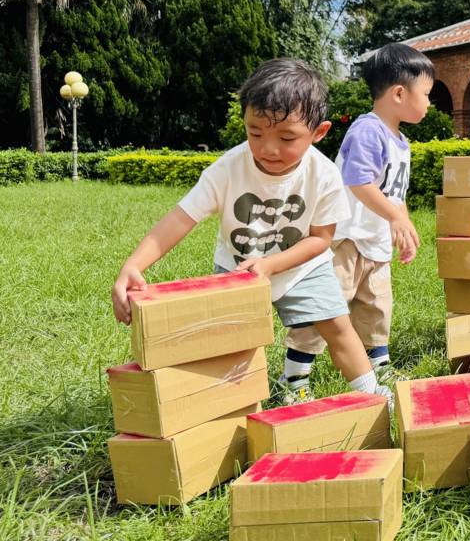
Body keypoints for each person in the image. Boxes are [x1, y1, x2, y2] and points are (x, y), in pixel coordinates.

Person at [111, 58, 391, 404]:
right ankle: (231, 406)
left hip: (303, 268)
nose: (268, 148)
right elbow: (180, 218)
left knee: (337, 327)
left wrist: (272, 266)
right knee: (230, 343)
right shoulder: (228, 168)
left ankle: (372, 395)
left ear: (319, 132)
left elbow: (321, 238)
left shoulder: (325, 175)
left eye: (287, 137)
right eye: (254, 132)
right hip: (237, 270)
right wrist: (134, 265)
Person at [280, 43, 432, 401]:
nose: (429, 103)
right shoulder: (368, 130)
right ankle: (294, 379)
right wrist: (394, 215)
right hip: (344, 240)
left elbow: (396, 194)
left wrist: (403, 225)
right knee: (325, 308)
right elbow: (358, 181)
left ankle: (379, 366)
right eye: (426, 94)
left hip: (374, 242)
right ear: (399, 93)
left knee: (376, 309)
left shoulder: (401, 142)